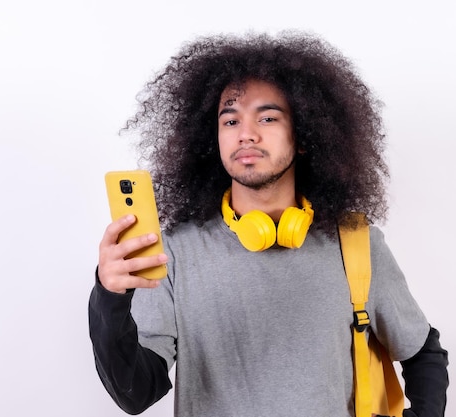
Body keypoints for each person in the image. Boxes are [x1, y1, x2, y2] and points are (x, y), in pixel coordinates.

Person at [88, 30, 449, 416]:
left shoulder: (357, 244)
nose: (246, 133)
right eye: (230, 121)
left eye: (268, 117)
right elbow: (135, 394)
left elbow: (423, 352)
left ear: (305, 135)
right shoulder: (175, 250)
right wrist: (110, 297)